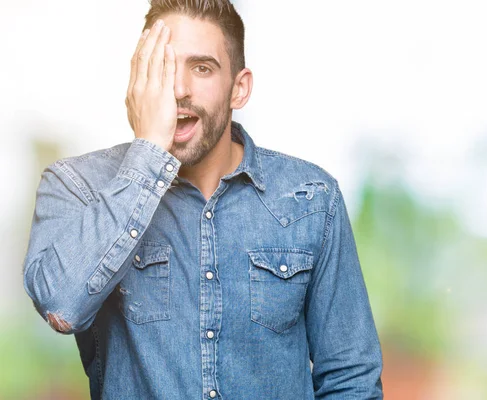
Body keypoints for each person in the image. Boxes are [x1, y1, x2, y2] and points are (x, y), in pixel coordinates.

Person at [22, 1, 383, 398]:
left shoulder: (312, 198)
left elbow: (352, 379)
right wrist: (148, 154)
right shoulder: (77, 185)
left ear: (239, 88)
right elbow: (61, 307)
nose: (179, 89)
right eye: (163, 66)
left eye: (202, 68)